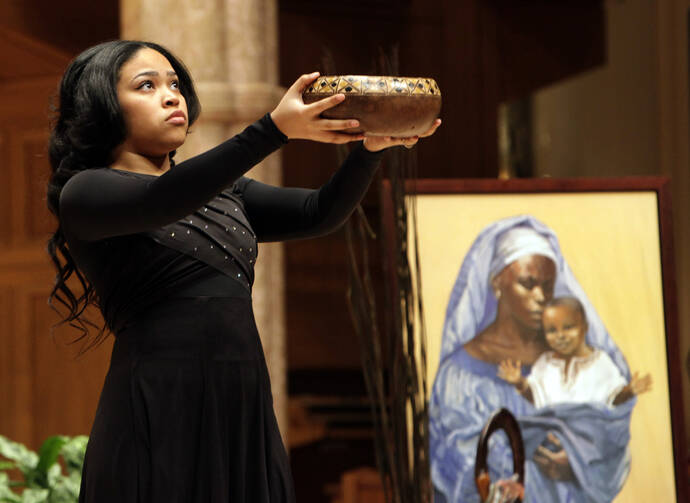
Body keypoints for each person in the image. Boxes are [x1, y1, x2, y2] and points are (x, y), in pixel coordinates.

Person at [46, 40, 440, 503]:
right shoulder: (86, 192)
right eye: (146, 86)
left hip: (242, 404)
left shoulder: (225, 192)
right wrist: (273, 129)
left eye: (174, 84)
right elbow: (163, 201)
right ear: (102, 105)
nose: (171, 95)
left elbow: (320, 212)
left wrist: (369, 151)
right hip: (158, 404)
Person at [429, 216, 635, 503]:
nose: (541, 297)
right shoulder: (460, 372)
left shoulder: (569, 361)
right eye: (528, 284)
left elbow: (609, 439)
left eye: (548, 286)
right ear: (497, 284)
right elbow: (451, 460)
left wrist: (576, 463)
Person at [498, 296, 652, 408]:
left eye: (568, 327)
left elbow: (612, 398)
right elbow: (536, 396)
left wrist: (630, 391)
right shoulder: (545, 363)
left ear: (584, 327)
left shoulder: (599, 362)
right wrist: (519, 382)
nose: (560, 336)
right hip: (552, 431)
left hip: (587, 434)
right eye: (552, 330)